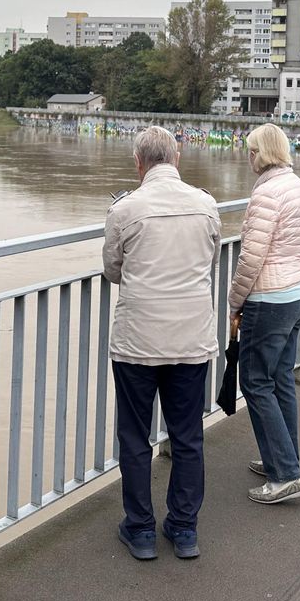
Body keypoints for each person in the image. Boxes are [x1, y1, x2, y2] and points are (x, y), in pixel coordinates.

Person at [103, 126, 219, 561]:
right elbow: (210, 259)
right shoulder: (207, 206)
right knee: (188, 436)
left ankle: (140, 531)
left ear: (139, 164)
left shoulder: (126, 210)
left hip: (138, 340)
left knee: (135, 437)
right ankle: (184, 529)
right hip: (191, 339)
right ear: (177, 158)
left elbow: (113, 269)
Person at [227, 124, 300, 506]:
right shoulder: (298, 185)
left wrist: (235, 301)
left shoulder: (265, 193)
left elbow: (251, 257)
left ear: (260, 153)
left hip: (270, 297)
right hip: (298, 291)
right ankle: (282, 457)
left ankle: (286, 475)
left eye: (250, 151)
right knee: (279, 379)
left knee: (255, 382)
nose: (247, 158)